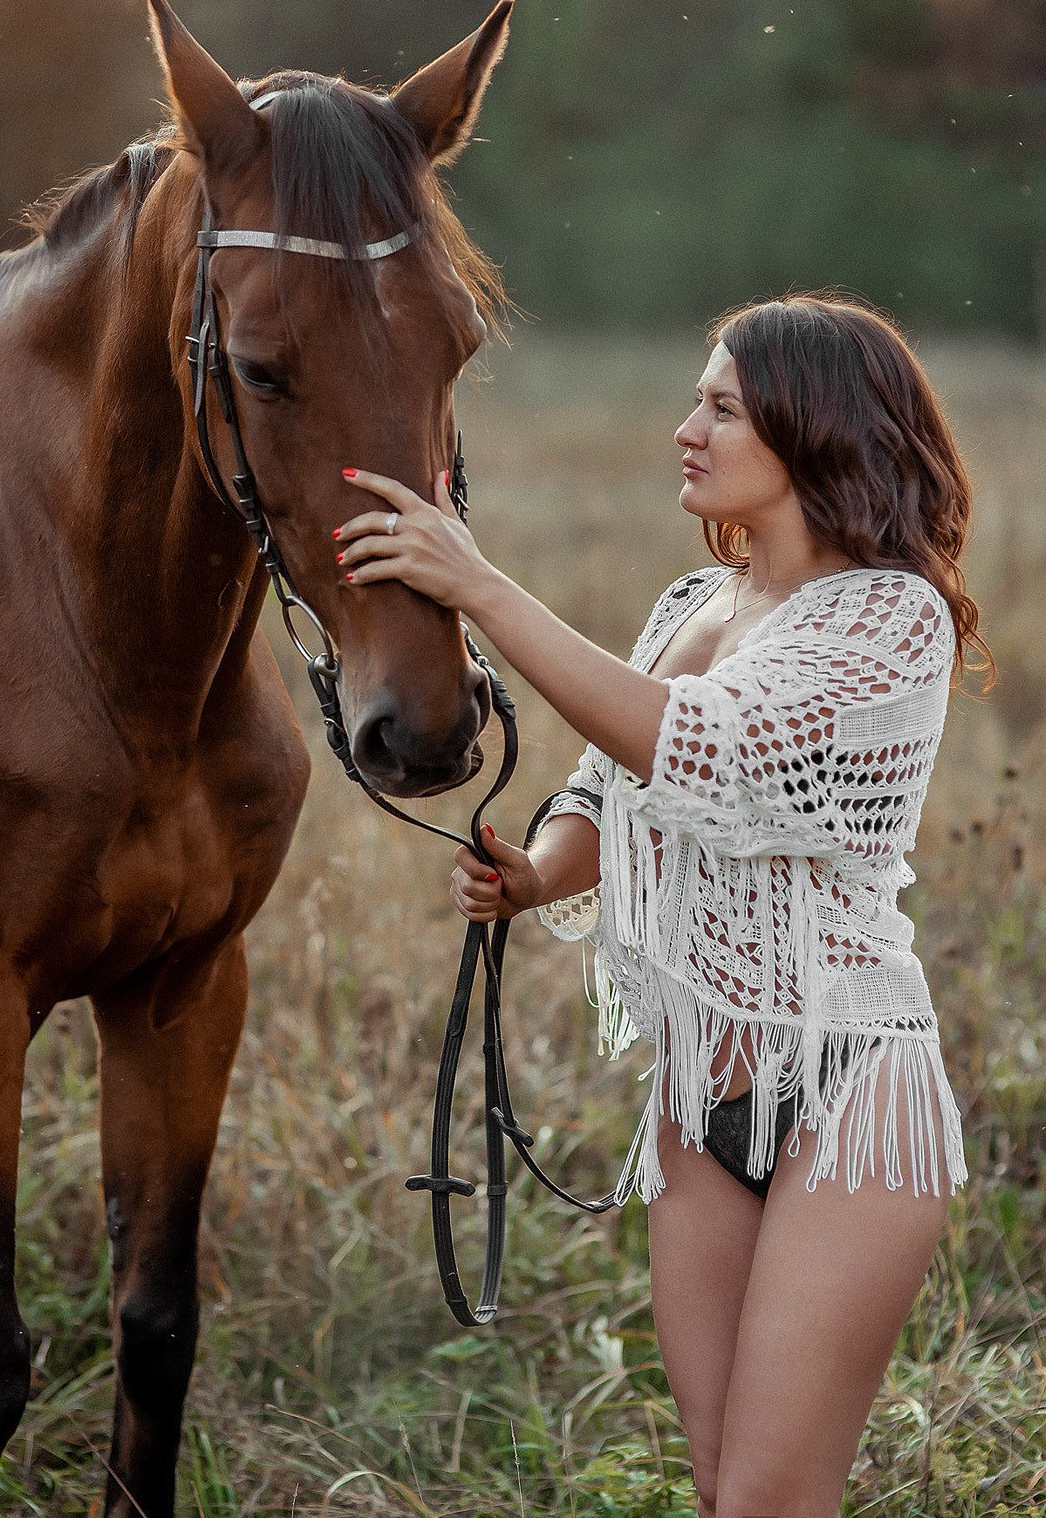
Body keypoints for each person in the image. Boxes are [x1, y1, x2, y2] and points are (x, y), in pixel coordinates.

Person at [331, 293, 987, 1518]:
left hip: (848, 1090)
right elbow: (609, 784)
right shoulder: (693, 603)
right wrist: (536, 873)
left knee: (771, 1499)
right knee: (719, 1488)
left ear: (809, 427)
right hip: (701, 1097)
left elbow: (702, 746)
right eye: (695, 401)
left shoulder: (886, 615)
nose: (685, 430)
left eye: (721, 408)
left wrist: (479, 588)